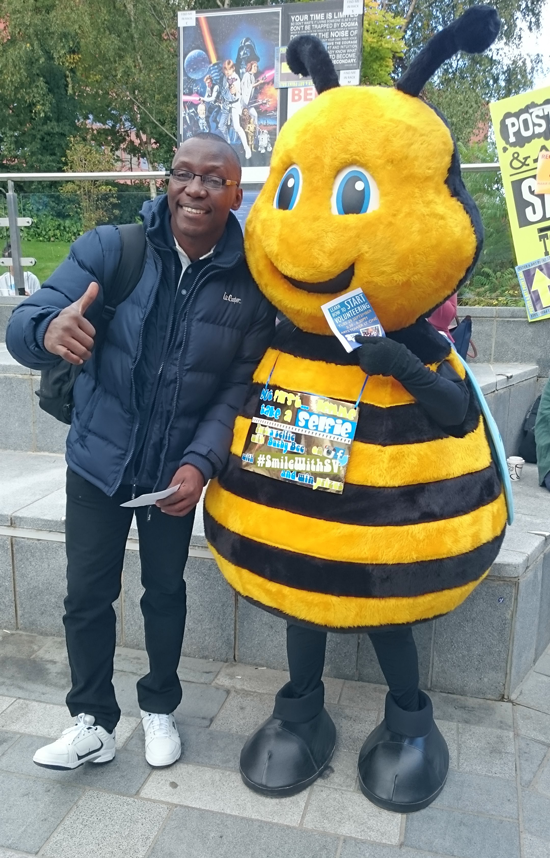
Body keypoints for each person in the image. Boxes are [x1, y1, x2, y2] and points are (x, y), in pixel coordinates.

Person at [5, 133, 275, 771]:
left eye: (214, 179)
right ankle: (92, 721)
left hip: (171, 475)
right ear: (168, 181)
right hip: (98, 458)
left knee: (164, 592)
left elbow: (236, 390)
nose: (196, 189)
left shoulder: (250, 284)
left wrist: (201, 463)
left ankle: (159, 707)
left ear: (236, 194)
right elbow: (24, 323)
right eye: (184, 173)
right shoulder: (111, 247)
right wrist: (48, 328)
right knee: (87, 595)